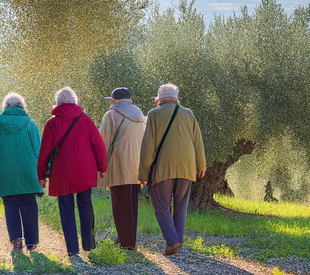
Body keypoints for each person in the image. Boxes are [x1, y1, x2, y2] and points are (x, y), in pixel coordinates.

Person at [37, 86, 108, 258]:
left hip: (63, 173)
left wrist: (41, 176)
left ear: (57, 103)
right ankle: (89, 245)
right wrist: (102, 167)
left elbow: (44, 152)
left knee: (66, 209)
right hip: (85, 170)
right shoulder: (85, 119)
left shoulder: (52, 123)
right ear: (75, 101)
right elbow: (98, 145)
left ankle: (72, 250)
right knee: (85, 205)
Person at [136, 83, 205, 256]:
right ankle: (177, 240)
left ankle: (172, 241)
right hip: (187, 166)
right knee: (181, 206)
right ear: (176, 98)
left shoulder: (153, 114)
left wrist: (142, 174)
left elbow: (147, 148)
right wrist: (201, 165)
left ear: (158, 99)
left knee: (160, 205)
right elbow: (198, 141)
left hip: (163, 167)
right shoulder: (188, 113)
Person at [0, 92, 44, 256]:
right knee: (29, 205)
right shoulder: (30, 123)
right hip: (28, 175)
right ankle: (32, 243)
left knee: (10, 207)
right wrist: (43, 174)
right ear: (22, 106)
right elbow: (39, 152)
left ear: (6, 107)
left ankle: (16, 243)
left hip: (5, 174)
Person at [98, 87, 146, 250]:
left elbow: (103, 143)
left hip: (119, 165)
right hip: (137, 166)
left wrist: (101, 166)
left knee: (120, 205)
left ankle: (127, 243)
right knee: (131, 204)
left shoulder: (111, 115)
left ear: (114, 100)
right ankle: (128, 239)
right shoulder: (141, 116)